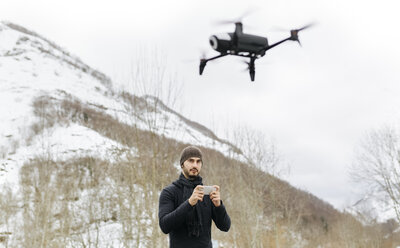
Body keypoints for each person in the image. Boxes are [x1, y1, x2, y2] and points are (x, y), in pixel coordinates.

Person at [158, 146, 231, 248]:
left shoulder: (207, 193)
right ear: (182, 164)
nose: (195, 165)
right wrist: (189, 203)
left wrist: (219, 206)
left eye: (198, 161)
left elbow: (225, 226)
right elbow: (165, 226)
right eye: (191, 161)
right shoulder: (170, 192)